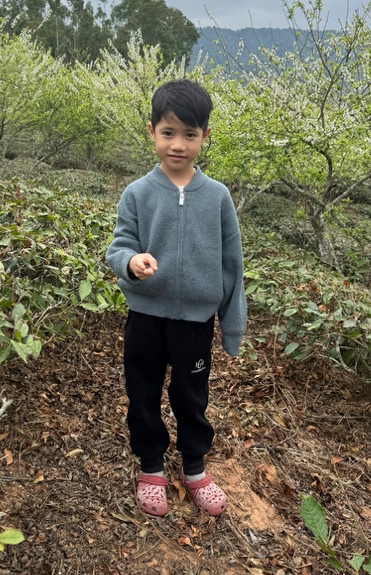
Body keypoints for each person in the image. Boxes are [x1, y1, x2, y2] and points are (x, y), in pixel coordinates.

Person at [106, 79, 247, 517]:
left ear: (205, 136)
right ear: (152, 132)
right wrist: (131, 262)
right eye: (168, 133)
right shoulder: (138, 193)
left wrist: (232, 325)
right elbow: (119, 245)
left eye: (189, 134)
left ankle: (194, 466)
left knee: (191, 395)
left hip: (195, 323)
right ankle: (151, 467)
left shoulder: (218, 197)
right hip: (145, 317)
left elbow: (232, 263)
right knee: (142, 392)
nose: (178, 144)